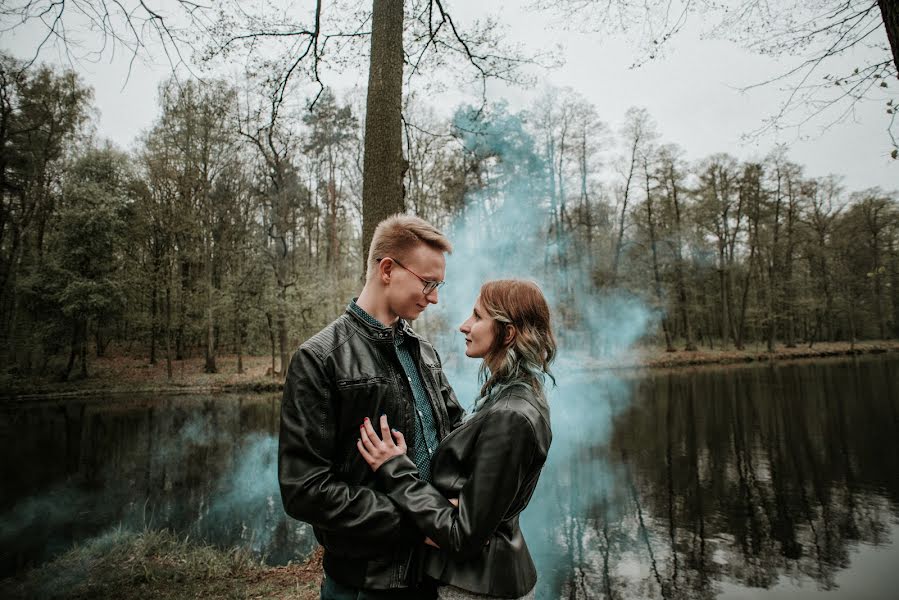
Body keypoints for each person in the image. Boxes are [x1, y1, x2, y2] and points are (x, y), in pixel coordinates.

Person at [278, 214, 465, 600]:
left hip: (433, 575)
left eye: (438, 285)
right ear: (386, 269)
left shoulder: (425, 353)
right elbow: (305, 489)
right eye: (428, 283)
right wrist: (420, 521)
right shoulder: (319, 359)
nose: (434, 297)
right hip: (366, 584)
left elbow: (457, 438)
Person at [357, 279, 556, 600]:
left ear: (508, 333)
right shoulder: (512, 392)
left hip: (478, 589)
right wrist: (446, 500)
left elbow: (461, 536)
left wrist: (394, 468)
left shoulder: (511, 415)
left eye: (478, 317)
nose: (465, 325)